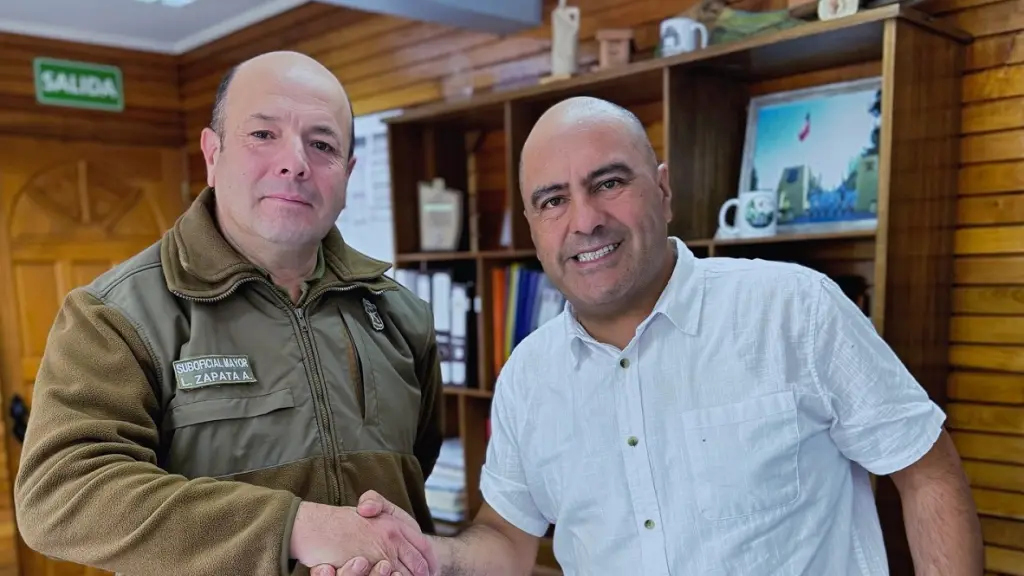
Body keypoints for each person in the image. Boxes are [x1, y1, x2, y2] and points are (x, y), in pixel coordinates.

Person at [353, 96, 985, 575]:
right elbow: (509, 537)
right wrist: (432, 557)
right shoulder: (528, 375)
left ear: (663, 190)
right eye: (553, 200)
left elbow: (927, 471)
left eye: (609, 182)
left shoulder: (793, 309)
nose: (586, 220)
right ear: (532, 227)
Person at [13, 51, 441, 576]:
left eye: (322, 144)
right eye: (263, 135)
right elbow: (61, 494)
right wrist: (297, 527)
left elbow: (416, 463)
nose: (296, 161)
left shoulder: (401, 314)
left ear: (347, 174)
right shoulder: (113, 315)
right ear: (212, 154)